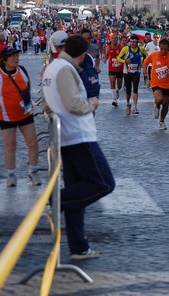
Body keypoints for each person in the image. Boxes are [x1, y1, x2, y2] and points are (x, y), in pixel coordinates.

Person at [41, 34, 115, 260]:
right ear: (83, 55)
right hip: (79, 136)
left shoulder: (52, 67)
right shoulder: (65, 69)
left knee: (79, 193)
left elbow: (45, 103)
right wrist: (91, 104)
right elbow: (73, 103)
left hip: (67, 135)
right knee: (104, 183)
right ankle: (54, 201)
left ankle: (79, 247)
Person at [0, 46, 40, 187]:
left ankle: (33, 172)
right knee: (10, 146)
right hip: (6, 116)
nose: (16, 58)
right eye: (12, 56)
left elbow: (27, 85)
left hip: (25, 114)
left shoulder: (22, 70)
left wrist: (27, 99)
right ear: (4, 60)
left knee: (33, 143)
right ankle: (11, 175)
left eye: (17, 55)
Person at [143, 39, 169, 130]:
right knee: (159, 99)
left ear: (168, 48)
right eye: (161, 49)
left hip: (167, 84)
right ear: (159, 48)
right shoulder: (154, 55)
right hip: (156, 82)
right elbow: (145, 63)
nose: (163, 51)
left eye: (165, 49)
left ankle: (162, 121)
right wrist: (145, 74)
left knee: (166, 105)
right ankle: (156, 106)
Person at [117, 36, 148, 115]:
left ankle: (135, 107)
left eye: (135, 42)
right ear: (130, 42)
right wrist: (125, 61)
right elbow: (118, 58)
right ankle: (128, 104)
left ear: (138, 42)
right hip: (127, 72)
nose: (134, 44)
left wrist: (143, 62)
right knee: (128, 90)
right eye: (132, 42)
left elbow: (148, 57)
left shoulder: (141, 49)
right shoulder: (126, 49)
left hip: (136, 72)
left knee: (135, 89)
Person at [103, 34, 124, 107]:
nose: (114, 40)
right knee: (112, 83)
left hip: (120, 68)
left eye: (115, 38)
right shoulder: (108, 47)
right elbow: (106, 55)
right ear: (110, 39)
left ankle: (117, 90)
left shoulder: (121, 47)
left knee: (119, 84)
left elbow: (124, 55)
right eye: (113, 38)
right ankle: (114, 100)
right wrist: (105, 59)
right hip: (111, 68)